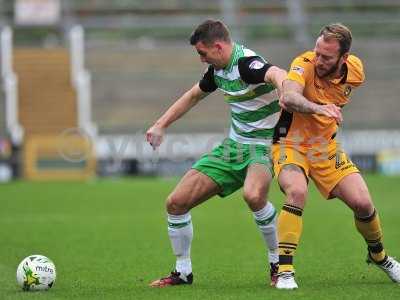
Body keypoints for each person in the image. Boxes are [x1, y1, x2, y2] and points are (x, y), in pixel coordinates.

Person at [146, 19, 287, 287]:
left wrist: (284, 90)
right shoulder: (217, 70)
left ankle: (278, 264)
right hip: (234, 146)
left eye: (203, 53)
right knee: (175, 203)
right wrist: (160, 124)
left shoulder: (247, 64)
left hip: (264, 146)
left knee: (253, 195)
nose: (201, 59)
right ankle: (183, 272)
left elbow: (276, 73)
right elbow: (192, 96)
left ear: (219, 47)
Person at [272, 23, 400, 290]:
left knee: (363, 204)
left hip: (325, 149)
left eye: (327, 57)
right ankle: (285, 272)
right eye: (318, 52)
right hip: (289, 143)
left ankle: (380, 257)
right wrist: (319, 108)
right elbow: (290, 96)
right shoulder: (303, 64)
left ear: (344, 58)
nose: (319, 60)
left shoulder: (355, 72)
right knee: (296, 192)